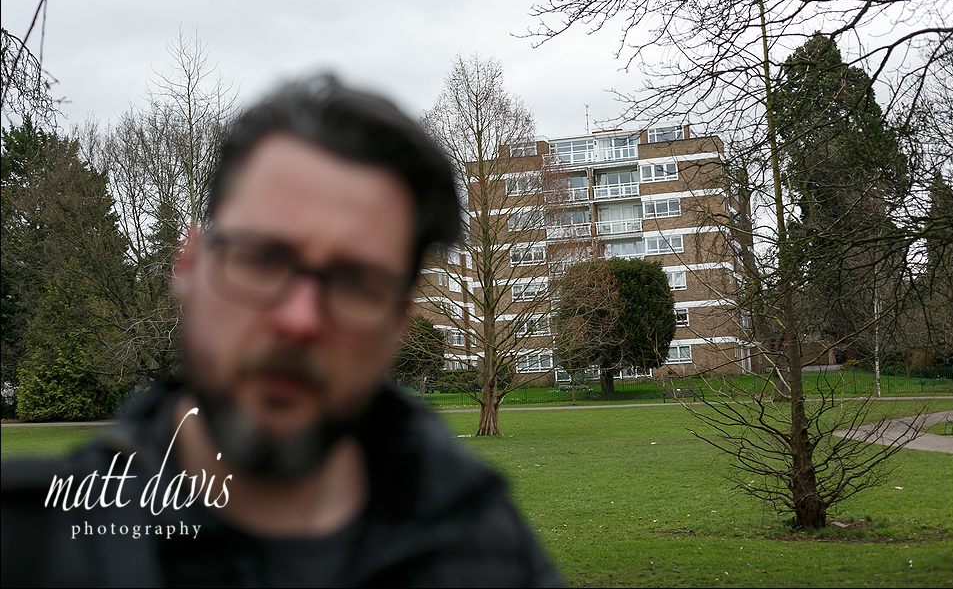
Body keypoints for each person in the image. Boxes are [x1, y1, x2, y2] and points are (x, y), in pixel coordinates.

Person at [1, 75, 565, 587]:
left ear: (400, 320)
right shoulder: (30, 546)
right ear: (189, 264)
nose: (299, 320)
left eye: (355, 283)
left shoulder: (489, 557)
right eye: (263, 259)